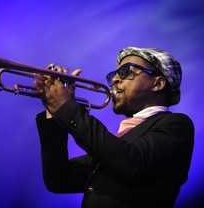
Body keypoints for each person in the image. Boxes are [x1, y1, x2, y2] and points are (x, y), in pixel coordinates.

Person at [33, 47, 194, 208]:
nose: (115, 79)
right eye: (114, 75)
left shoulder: (176, 125)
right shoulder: (120, 141)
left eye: (125, 71)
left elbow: (132, 162)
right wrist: (54, 111)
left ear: (157, 83)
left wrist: (67, 108)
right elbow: (59, 180)